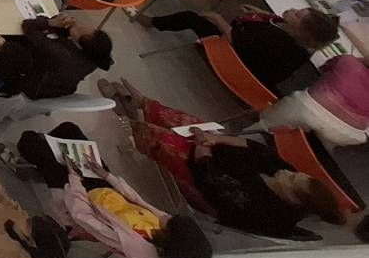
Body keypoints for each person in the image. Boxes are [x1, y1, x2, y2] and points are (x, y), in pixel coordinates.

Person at [107, 78, 345, 240]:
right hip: (213, 151)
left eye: (291, 179)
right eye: (295, 174)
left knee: (171, 143)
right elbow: (254, 147)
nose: (287, 172)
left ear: (292, 199)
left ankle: (132, 125)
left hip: (202, 173)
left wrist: (203, 146)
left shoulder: (260, 208)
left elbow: (209, 180)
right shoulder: (282, 171)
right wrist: (215, 139)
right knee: (192, 124)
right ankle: (141, 105)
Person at [8, 122, 214, 258]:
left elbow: (83, 216)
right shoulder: (165, 226)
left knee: (28, 140)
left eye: (169, 222)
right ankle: (45, 159)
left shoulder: (134, 244)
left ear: (171, 240)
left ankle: (36, 161)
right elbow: (137, 200)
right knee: (70, 130)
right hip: (104, 190)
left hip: (78, 199)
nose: (166, 217)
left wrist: (74, 178)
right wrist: (107, 176)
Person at [139, 6, 340, 93]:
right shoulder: (298, 41)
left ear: (301, 31)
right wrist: (263, 13)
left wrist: (218, 19)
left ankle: (151, 22)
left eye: (297, 15)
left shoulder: (279, 39)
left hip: (237, 62)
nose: (293, 10)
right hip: (255, 68)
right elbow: (276, 23)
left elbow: (236, 40)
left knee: (191, 17)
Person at [250, 52, 369, 147]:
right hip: (348, 134)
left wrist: (357, 61)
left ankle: (250, 135)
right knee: (312, 146)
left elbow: (323, 68)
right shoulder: (349, 62)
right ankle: (301, 155)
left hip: (309, 108)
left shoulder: (348, 61)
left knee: (266, 124)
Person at [0, 14, 114, 100]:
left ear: (80, 45)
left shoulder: (59, 53)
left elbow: (28, 25)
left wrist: (51, 23)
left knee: (11, 47)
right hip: (55, 84)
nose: (80, 26)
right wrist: (64, 21)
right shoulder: (95, 56)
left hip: (34, 85)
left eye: (80, 30)